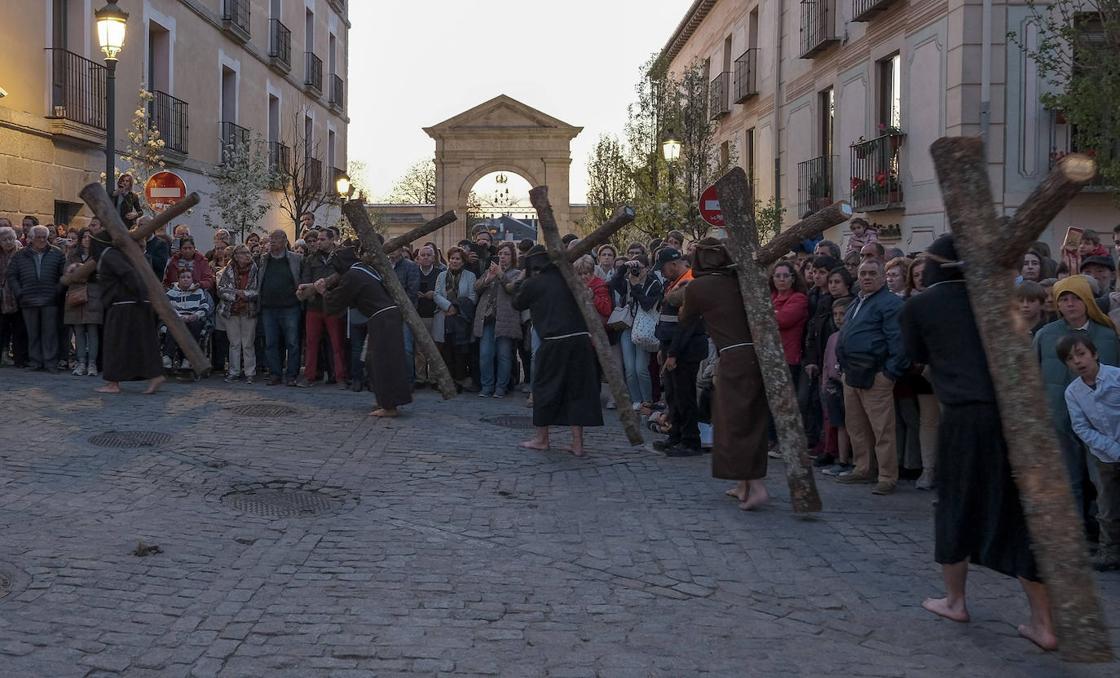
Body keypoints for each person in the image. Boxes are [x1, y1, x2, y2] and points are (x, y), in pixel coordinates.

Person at [900, 234, 1054, 651]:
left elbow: (912, 354)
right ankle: (1043, 622)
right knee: (1016, 513)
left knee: (954, 504)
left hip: (964, 416)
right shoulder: (995, 300)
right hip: (1012, 414)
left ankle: (955, 600)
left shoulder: (920, 305)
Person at [679, 239, 771, 509]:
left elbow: (685, 317)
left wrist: (683, 295)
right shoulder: (740, 280)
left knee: (734, 421)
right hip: (755, 355)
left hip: (734, 358)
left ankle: (756, 486)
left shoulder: (699, 287)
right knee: (749, 418)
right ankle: (743, 484)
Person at [1033, 275, 1120, 539]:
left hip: (1100, 426)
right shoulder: (1045, 335)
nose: (1070, 305)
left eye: (1076, 298)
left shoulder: (1107, 335)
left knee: (1103, 483)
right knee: (1068, 481)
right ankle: (1075, 536)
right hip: (1059, 420)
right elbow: (1032, 374)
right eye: (1064, 300)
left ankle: (1107, 539)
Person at [512, 245, 602, 456]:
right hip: (580, 341)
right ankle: (577, 444)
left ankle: (542, 439)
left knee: (544, 389)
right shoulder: (570, 280)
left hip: (554, 342)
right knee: (577, 391)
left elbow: (517, 302)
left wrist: (522, 278)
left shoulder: (534, 283)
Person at [836, 259, 909, 495]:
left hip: (876, 375)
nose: (867, 277)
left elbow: (899, 342)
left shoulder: (890, 304)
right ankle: (863, 468)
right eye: (863, 273)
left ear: (881, 277)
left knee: (882, 430)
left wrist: (889, 374)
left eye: (872, 273)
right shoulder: (857, 302)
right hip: (852, 374)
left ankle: (887, 476)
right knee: (856, 427)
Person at [320, 245, 412, 417]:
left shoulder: (352, 275)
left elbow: (337, 300)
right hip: (386, 317)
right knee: (373, 360)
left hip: (383, 319)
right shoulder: (364, 269)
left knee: (382, 362)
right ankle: (384, 400)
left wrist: (323, 291)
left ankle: (389, 406)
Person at [1060, 334, 1120, 571]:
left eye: (1082, 354)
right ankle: (1109, 551)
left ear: (1094, 353)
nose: (1078, 361)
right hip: (1104, 456)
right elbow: (1081, 427)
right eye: (1071, 358)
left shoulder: (1116, 377)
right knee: (1107, 507)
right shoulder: (1073, 392)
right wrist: (1111, 448)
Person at [92, 233, 165, 394]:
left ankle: (114, 383)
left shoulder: (111, 254)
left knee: (115, 344)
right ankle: (154, 375)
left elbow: (128, 274)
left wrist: (140, 295)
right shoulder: (119, 254)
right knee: (141, 343)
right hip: (132, 304)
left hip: (125, 305)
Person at [6, 225, 65, 372]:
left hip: (50, 299)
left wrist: (57, 290)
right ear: (31, 238)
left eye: (44, 237)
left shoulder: (57, 253)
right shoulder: (20, 255)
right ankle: (35, 362)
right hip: (28, 298)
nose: (41, 240)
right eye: (38, 237)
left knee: (50, 333)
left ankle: (50, 362)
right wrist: (19, 292)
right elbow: (12, 275)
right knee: (33, 333)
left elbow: (64, 275)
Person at [297, 231, 348, 388]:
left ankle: (341, 377)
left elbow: (345, 280)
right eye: (317, 239)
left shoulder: (340, 258)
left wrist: (324, 286)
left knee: (337, 344)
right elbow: (304, 283)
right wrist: (314, 288)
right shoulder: (310, 259)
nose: (318, 242)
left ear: (332, 240)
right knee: (311, 343)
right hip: (314, 306)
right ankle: (309, 376)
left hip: (334, 306)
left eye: (322, 239)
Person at [611, 253, 662, 409]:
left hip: (644, 329)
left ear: (647, 268)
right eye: (635, 267)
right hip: (628, 326)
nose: (636, 271)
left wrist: (637, 287)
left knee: (641, 367)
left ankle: (647, 399)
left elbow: (647, 305)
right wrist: (624, 267)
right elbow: (614, 282)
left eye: (639, 267)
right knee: (630, 368)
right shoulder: (627, 282)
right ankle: (636, 400)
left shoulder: (654, 284)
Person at [473, 242, 522, 398]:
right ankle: (487, 386)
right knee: (485, 354)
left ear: (512, 257)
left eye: (506, 254)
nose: (502, 257)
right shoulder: (490, 270)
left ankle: (501, 387)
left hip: (505, 319)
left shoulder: (516, 273)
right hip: (487, 318)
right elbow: (477, 287)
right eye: (500, 254)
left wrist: (500, 275)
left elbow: (512, 288)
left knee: (504, 355)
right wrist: (488, 278)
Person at [256, 229, 303, 386]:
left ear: (284, 240)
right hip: (268, 308)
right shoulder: (263, 259)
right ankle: (275, 374)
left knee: (292, 343)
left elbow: (301, 279)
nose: (272, 241)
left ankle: (291, 375)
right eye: (271, 239)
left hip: (290, 307)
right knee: (270, 343)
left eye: (276, 238)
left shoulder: (296, 259)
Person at [433, 247, 478, 392]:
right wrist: (448, 307)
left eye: (458, 258)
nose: (454, 261)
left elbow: (472, 297)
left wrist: (456, 308)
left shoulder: (470, 276)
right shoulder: (441, 275)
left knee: (460, 352)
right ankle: (448, 381)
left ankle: (460, 380)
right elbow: (437, 294)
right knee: (446, 351)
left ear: (463, 261)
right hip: (444, 317)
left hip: (461, 319)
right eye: (452, 258)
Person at [217, 244, 259, 384]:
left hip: (248, 309)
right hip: (231, 309)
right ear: (236, 256)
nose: (247, 255)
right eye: (243, 253)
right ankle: (234, 371)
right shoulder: (228, 269)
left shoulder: (254, 269)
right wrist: (235, 296)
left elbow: (257, 289)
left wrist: (245, 294)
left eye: (248, 252)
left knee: (248, 342)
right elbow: (221, 289)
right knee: (234, 343)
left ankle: (250, 372)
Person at [63, 229, 102, 377]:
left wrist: (83, 272)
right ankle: (81, 362)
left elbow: (102, 273)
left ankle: (92, 364)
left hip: (93, 294)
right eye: (84, 237)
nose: (87, 239)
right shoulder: (73, 254)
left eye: (89, 236)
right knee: (78, 330)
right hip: (76, 293)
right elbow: (66, 273)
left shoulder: (98, 255)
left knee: (92, 330)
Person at [163, 269, 213, 368]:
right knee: (173, 325)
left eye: (188, 277)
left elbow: (205, 307)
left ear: (192, 279)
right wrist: (180, 317)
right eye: (183, 277)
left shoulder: (198, 292)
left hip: (193, 318)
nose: (185, 280)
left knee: (195, 325)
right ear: (178, 279)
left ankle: (188, 359)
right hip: (177, 318)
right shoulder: (171, 293)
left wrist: (196, 315)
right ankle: (168, 356)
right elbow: (168, 308)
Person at [414, 245, 445, 387]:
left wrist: (434, 294)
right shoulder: (413, 272)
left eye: (428, 255)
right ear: (418, 257)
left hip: (435, 314)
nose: (425, 257)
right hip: (418, 314)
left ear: (434, 257)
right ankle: (420, 378)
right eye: (423, 255)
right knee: (419, 350)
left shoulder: (440, 273)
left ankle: (433, 377)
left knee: (435, 348)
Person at [389, 245, 421, 385]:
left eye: (394, 249)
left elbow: (412, 291)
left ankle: (409, 380)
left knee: (407, 348)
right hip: (388, 312)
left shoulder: (410, 266)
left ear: (401, 251)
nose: (391, 252)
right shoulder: (385, 265)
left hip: (405, 313)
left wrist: (398, 305)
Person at [0, 225, 28, 367]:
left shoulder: (22, 253)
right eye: (4, 239)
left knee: (19, 329)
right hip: (2, 297)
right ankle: (3, 356)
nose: (8, 242)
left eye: (11, 238)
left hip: (17, 296)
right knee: (2, 328)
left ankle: (20, 358)